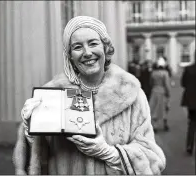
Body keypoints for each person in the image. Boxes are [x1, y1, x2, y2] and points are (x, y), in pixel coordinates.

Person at [13, 16, 166, 175]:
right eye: (77, 47)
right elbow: (37, 162)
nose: (87, 53)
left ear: (106, 48)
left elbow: (153, 159)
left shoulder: (130, 93)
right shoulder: (53, 94)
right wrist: (31, 132)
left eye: (93, 43)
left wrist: (110, 153)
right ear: (70, 55)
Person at [181, 50, 196, 156]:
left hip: (191, 101)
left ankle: (190, 145)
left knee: (192, 123)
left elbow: (183, 83)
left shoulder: (188, 68)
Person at [149, 57, 170, 132]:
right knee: (164, 108)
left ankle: (155, 126)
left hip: (154, 91)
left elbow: (150, 83)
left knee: (154, 108)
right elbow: (167, 84)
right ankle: (165, 125)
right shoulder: (165, 73)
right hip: (162, 91)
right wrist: (168, 93)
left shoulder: (153, 73)